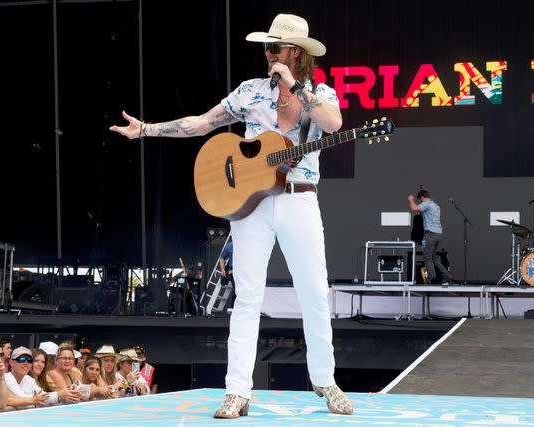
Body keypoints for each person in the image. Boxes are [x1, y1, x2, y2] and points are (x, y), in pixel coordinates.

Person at [110, 13, 352, 418]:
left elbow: (334, 123)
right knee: (247, 297)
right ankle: (238, 390)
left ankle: (325, 381)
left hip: (299, 198)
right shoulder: (250, 91)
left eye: (275, 47)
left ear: (296, 53)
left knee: (314, 293)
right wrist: (148, 130)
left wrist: (293, 87)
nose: (268, 53)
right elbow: (202, 124)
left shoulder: (319, 92)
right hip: (251, 202)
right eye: (266, 47)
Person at [408, 189, 452, 284]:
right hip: (438, 234)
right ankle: (446, 274)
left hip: (430, 234)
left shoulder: (427, 204)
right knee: (434, 258)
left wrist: (411, 199)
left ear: (423, 197)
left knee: (427, 258)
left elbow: (414, 208)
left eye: (421, 199)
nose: (421, 201)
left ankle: (432, 279)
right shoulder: (436, 205)